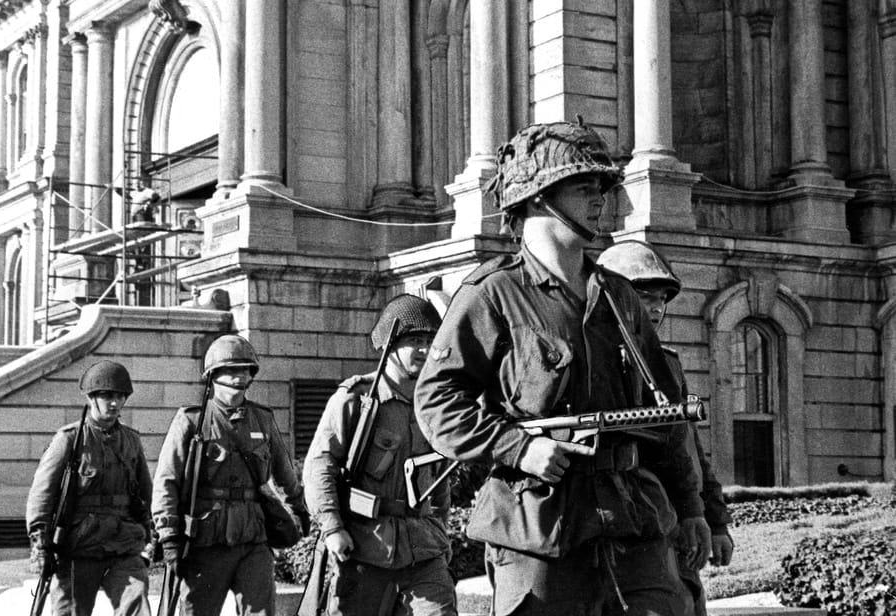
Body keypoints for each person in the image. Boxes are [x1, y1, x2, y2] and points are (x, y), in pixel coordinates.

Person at [414, 119, 710, 616]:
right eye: (583, 186)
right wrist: (519, 448)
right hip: (540, 527)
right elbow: (438, 400)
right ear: (537, 198)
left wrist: (693, 508)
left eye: (602, 186)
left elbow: (665, 414)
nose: (600, 198)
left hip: (634, 522)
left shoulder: (618, 296)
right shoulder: (492, 296)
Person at [597, 239, 735, 616]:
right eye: (644, 296)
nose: (656, 308)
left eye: (661, 298)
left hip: (676, 522)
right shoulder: (595, 366)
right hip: (627, 528)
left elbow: (690, 451)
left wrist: (715, 520)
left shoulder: (668, 365)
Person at [303, 294, 456, 616]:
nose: (426, 349)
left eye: (431, 340)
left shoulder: (433, 405)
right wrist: (332, 527)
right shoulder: (356, 401)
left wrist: (440, 528)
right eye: (415, 340)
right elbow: (320, 465)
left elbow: (439, 474)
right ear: (390, 344)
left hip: (424, 550)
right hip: (364, 547)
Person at [152, 334, 309, 616]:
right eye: (231, 370)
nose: (239, 377)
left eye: (245, 370)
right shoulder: (191, 420)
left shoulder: (262, 418)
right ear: (213, 376)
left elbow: (284, 474)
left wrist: (300, 510)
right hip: (206, 540)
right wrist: (169, 536)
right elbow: (167, 481)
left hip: (253, 536)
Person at [26, 360, 153, 616]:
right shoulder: (69, 440)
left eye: (120, 396)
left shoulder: (130, 440)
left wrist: (152, 531)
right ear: (91, 398)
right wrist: (40, 544)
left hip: (123, 543)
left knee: (137, 607)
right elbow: (42, 495)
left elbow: (145, 493)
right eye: (107, 396)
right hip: (78, 546)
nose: (114, 403)